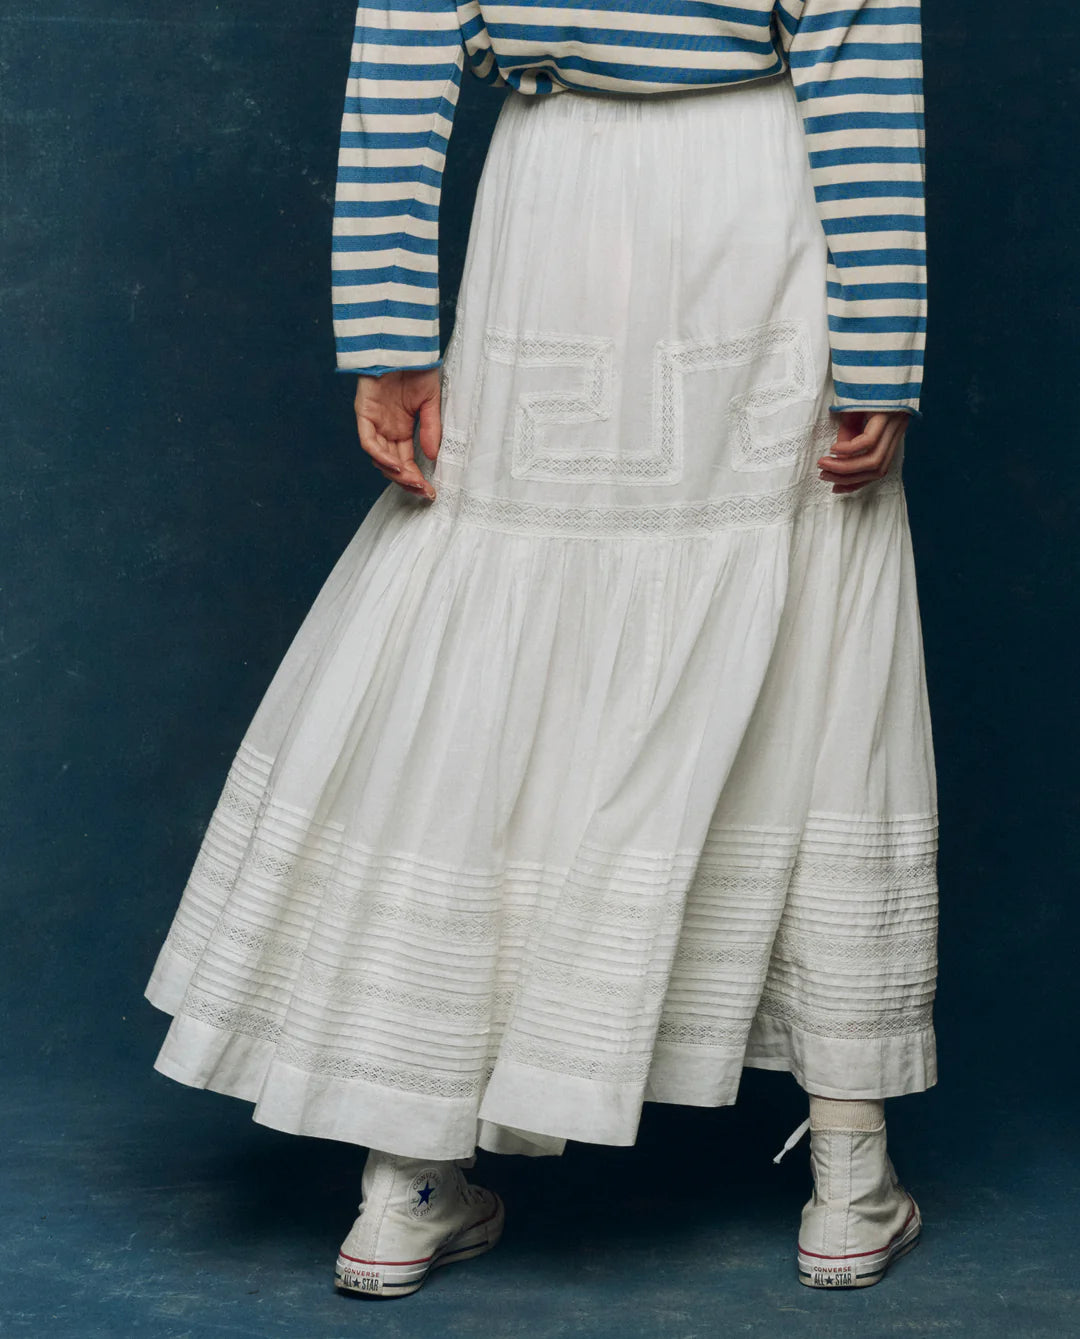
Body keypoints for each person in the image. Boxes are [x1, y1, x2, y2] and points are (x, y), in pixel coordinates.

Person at [145, 0, 936, 1297]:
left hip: (560, 201)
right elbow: (856, 55)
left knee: (490, 616)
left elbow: (405, 51)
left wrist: (391, 337)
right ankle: (850, 1176)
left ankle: (403, 1179)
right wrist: (881, 347)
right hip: (760, 199)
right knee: (812, 628)